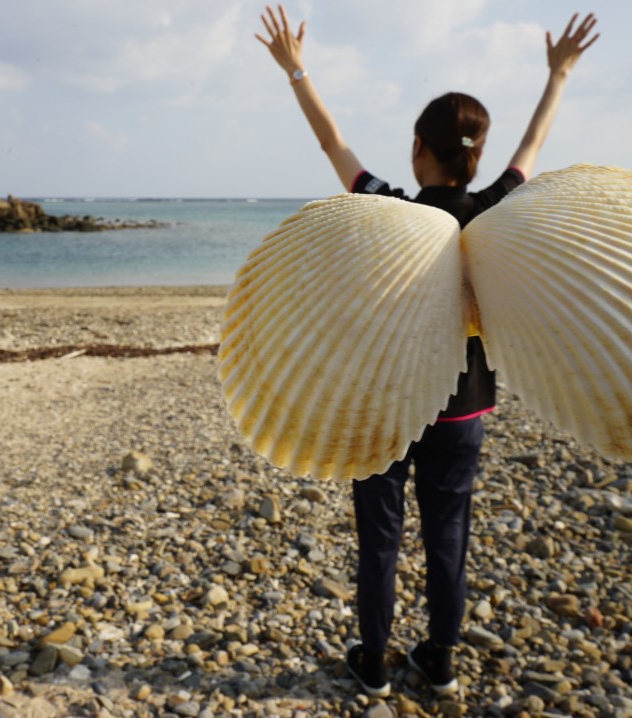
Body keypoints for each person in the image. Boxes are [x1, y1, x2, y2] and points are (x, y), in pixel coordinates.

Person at [256, 5, 598, 698]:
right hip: (462, 409)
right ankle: (440, 659)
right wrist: (558, 75)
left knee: (379, 536)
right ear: (475, 156)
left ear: (419, 149)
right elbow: (531, 148)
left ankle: (375, 661)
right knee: (448, 536)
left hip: (386, 402)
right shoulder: (495, 211)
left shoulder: (393, 211)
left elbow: (335, 146)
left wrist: (296, 69)